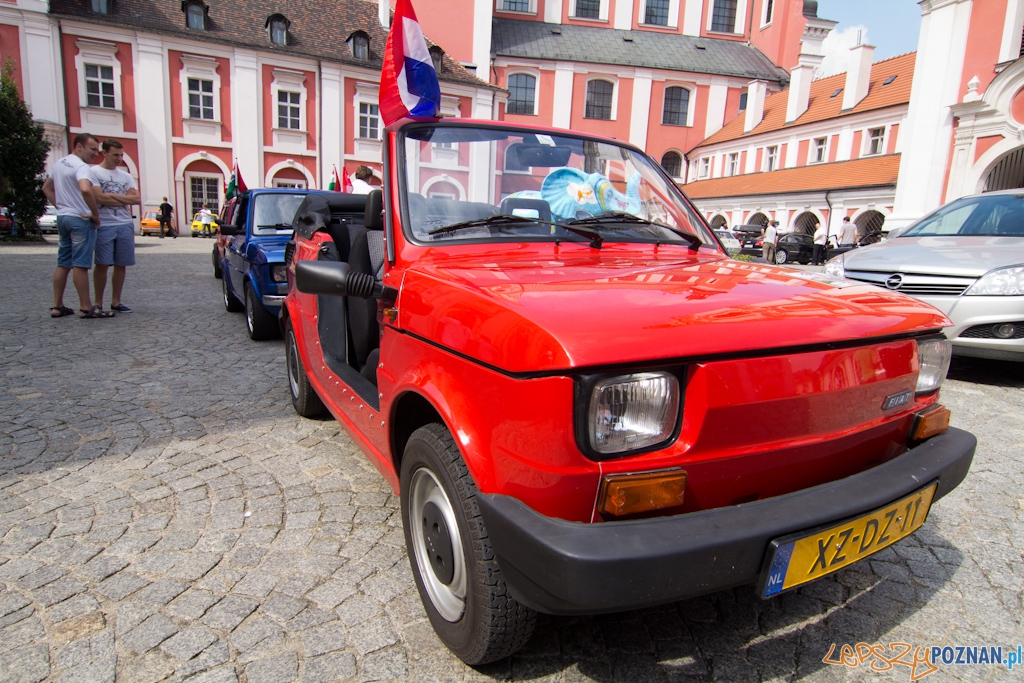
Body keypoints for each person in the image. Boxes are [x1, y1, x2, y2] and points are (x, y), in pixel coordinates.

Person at [42, 133, 113, 319]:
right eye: (92, 149)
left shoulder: (59, 163)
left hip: (64, 217)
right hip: (80, 218)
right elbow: (85, 189)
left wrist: (62, 206)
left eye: (97, 151)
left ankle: (57, 305)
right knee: (80, 264)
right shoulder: (82, 167)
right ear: (79, 146)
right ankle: (86, 307)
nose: (95, 154)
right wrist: (95, 214)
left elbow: (46, 188)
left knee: (63, 262)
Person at [90, 138, 141, 313]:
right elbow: (98, 198)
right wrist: (123, 198)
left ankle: (116, 301)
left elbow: (136, 199)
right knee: (102, 264)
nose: (119, 158)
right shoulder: (94, 172)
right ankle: (98, 302)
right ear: (104, 153)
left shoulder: (126, 176)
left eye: (121, 155)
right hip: (104, 223)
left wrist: (110, 196)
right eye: (115, 155)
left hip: (124, 223)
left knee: (122, 264)